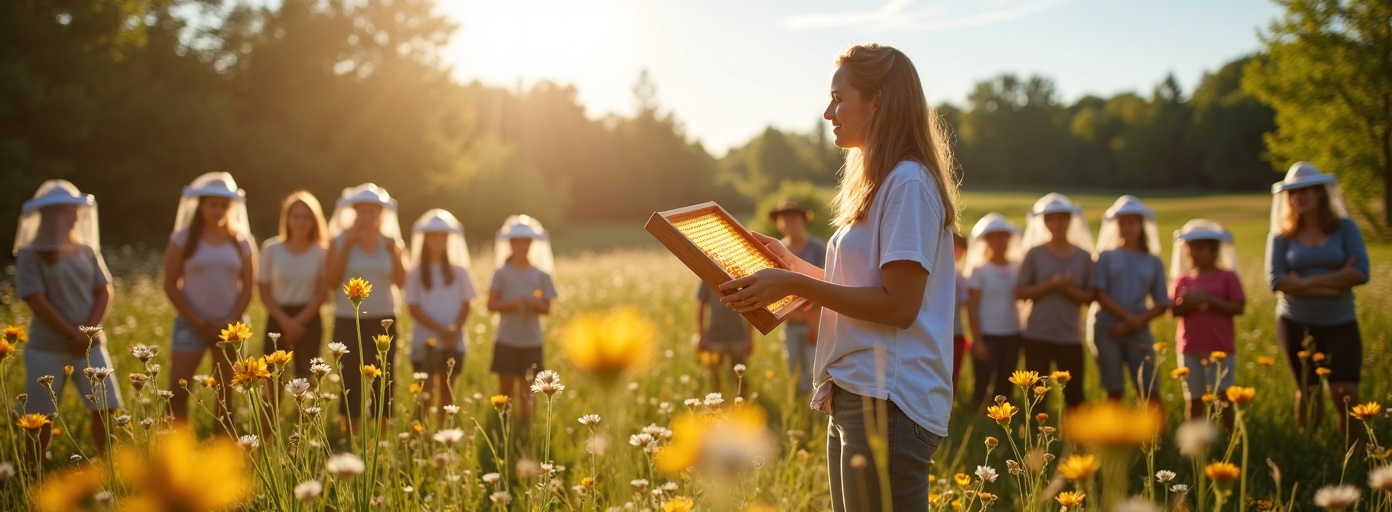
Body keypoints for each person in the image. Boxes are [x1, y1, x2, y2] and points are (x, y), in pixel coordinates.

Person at [718, 43, 958, 511]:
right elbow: (856, 287)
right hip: (857, 393)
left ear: (878, 100)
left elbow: (899, 306)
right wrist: (790, 265)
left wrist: (795, 285)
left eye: (838, 98)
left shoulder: (908, 183)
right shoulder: (885, 181)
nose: (828, 111)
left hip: (887, 399)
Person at [13, 180, 123, 457]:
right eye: (67, 212)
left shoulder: (86, 250)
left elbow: (104, 290)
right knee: (40, 417)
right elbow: (36, 299)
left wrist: (88, 333)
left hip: (90, 346)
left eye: (76, 211)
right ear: (50, 216)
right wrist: (71, 334)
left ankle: (106, 465)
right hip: (46, 347)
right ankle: (33, 470)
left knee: (106, 406)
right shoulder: (31, 254)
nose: (75, 217)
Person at [1265, 162, 1369, 439]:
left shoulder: (1345, 228)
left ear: (1320, 192)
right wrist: (1336, 281)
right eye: (1292, 192)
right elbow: (1277, 281)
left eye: (1304, 190)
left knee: (1344, 391)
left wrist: (1303, 283)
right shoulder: (1281, 236)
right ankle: (1310, 446)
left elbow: (1360, 273)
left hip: (1340, 322)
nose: (1298, 196)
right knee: (1308, 391)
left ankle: (1357, 453)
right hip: (1294, 322)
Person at [163, 172, 257, 425]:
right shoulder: (182, 239)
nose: (218, 210)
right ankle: (174, 450)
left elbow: (248, 287)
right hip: (190, 325)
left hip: (232, 328)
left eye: (224, 205)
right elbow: (170, 284)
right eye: (213, 204)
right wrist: (197, 320)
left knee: (226, 393)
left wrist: (230, 320)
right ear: (201, 205)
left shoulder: (242, 242)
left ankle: (222, 448)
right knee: (177, 392)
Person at [325, 183, 406, 429]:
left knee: (384, 373)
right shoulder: (339, 241)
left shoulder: (391, 243)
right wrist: (347, 247)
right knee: (350, 374)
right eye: (364, 210)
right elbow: (331, 282)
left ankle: (382, 430)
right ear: (355, 212)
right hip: (348, 316)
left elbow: (401, 283)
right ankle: (350, 428)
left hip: (384, 317)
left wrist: (395, 254)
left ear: (382, 214)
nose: (368, 216)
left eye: (374, 211)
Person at [1016, 193, 1094, 408]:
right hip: (1036, 334)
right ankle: (1036, 439)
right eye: (1051, 219)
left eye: (1062, 219)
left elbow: (1090, 297)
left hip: (1069, 335)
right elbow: (1020, 292)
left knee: (1075, 393)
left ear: (1070, 221)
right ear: (1044, 223)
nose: (1057, 224)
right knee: (1037, 396)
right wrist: (1050, 285)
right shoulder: (1034, 254)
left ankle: (1075, 440)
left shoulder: (1084, 256)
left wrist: (1069, 290)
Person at [1090, 196, 1170, 402]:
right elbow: (1099, 293)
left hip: (1139, 330)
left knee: (1150, 388)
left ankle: (1154, 434)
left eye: (1132, 223)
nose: (1127, 228)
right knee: (1113, 389)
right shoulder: (1105, 257)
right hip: (1107, 329)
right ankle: (1115, 434)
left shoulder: (1153, 262)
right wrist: (1128, 318)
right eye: (1123, 223)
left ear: (1141, 225)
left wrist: (1136, 322)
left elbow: (1162, 302)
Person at [404, 209, 476, 427]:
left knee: (447, 389)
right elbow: (413, 307)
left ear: (449, 239)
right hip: (424, 341)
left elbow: (467, 303)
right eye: (433, 235)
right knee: (425, 391)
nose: (437, 240)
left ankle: (443, 431)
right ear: (425, 239)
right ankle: (422, 432)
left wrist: (453, 331)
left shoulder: (460, 271)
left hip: (453, 342)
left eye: (442, 236)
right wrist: (441, 330)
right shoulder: (415, 273)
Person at [1171, 219, 1245, 426]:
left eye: (1201, 248)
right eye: (1191, 248)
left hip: (1220, 348)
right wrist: (1185, 303)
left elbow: (1238, 308)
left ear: (1214, 250)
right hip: (1190, 347)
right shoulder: (1183, 280)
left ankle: (1231, 439)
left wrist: (1210, 300)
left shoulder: (1227, 277)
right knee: (1194, 399)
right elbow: (1174, 311)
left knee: (1224, 398)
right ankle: (1196, 446)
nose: (1195, 252)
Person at [486, 215, 556, 423]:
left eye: (526, 242)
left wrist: (532, 304)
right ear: (511, 244)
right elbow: (491, 305)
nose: (522, 246)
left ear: (531, 244)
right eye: (517, 242)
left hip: (532, 340)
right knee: (505, 389)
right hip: (507, 339)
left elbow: (547, 308)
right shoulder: (501, 273)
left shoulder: (541, 275)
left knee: (529, 391)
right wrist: (515, 305)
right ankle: (504, 425)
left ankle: (527, 429)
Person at [258, 191, 329, 387]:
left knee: (306, 379)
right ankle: (272, 418)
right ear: (287, 219)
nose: (301, 222)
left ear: (315, 221)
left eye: (306, 217)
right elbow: (263, 290)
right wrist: (286, 322)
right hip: (277, 318)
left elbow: (323, 292)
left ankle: (304, 418)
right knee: (271, 380)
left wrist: (298, 322)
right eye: (296, 216)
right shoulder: (271, 248)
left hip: (310, 318)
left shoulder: (322, 252)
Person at [965, 212, 1024, 407]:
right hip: (988, 335)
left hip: (1013, 334)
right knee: (982, 383)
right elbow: (971, 307)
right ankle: (974, 424)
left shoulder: (1017, 267)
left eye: (1003, 236)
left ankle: (1001, 423)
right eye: (995, 237)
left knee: (1006, 383)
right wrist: (978, 341)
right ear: (987, 241)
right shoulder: (979, 270)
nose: (1000, 241)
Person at [769, 199, 827, 395]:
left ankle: (815, 416)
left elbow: (827, 285)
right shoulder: (774, 251)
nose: (789, 222)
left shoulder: (819, 249)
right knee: (794, 372)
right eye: (784, 218)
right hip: (789, 324)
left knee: (815, 374)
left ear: (803, 220)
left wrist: (817, 324)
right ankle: (801, 413)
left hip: (814, 324)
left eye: (794, 217)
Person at [696, 280, 753, 394]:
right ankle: (718, 405)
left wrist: (749, 338)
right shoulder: (707, 276)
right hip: (715, 336)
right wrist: (702, 336)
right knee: (714, 376)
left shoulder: (741, 277)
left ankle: (742, 406)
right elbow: (701, 307)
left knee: (740, 378)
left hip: (738, 336)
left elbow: (751, 309)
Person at [951, 232, 969, 390]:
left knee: (953, 376)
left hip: (956, 333)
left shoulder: (959, 274)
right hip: (943, 334)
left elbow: (966, 305)